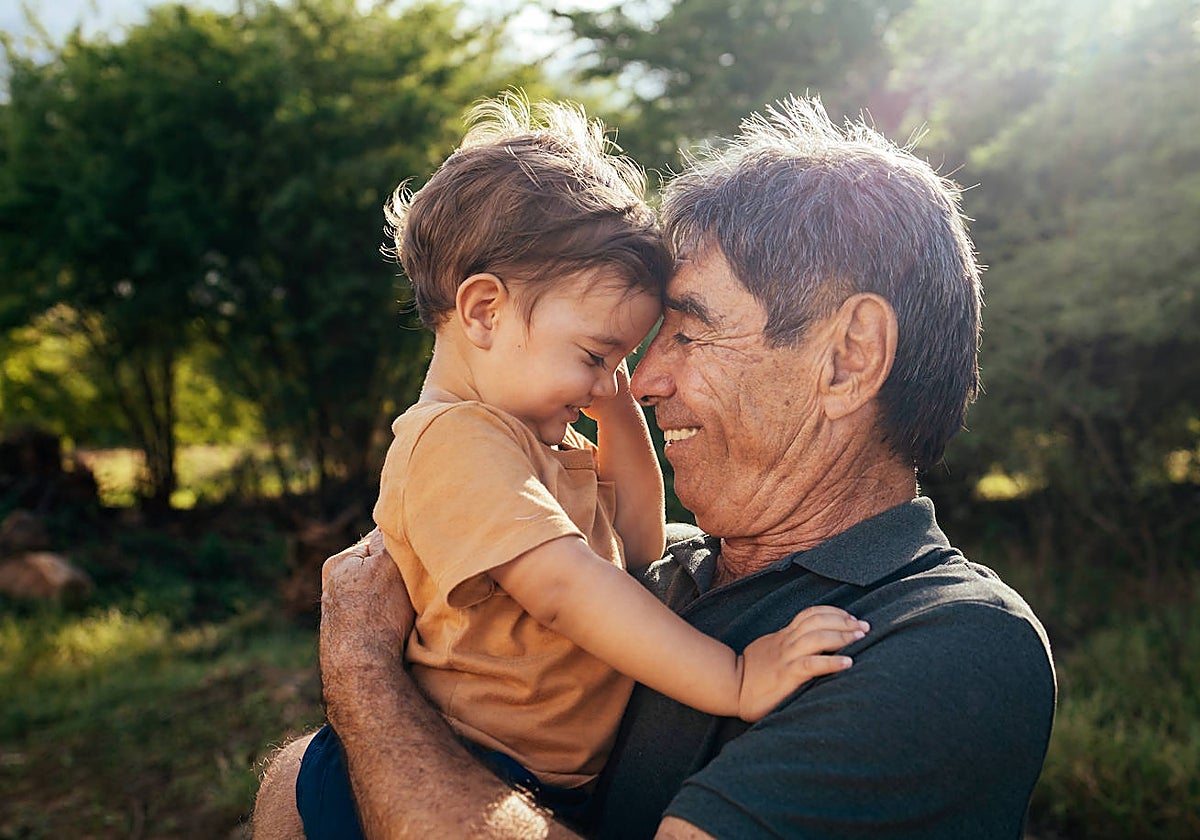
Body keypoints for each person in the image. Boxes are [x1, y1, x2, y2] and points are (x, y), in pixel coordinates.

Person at [253, 95, 1056, 839]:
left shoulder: (951, 641)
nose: (639, 380)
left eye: (689, 332)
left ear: (849, 357)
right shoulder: (656, 566)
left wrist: (360, 672)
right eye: (613, 350)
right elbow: (299, 787)